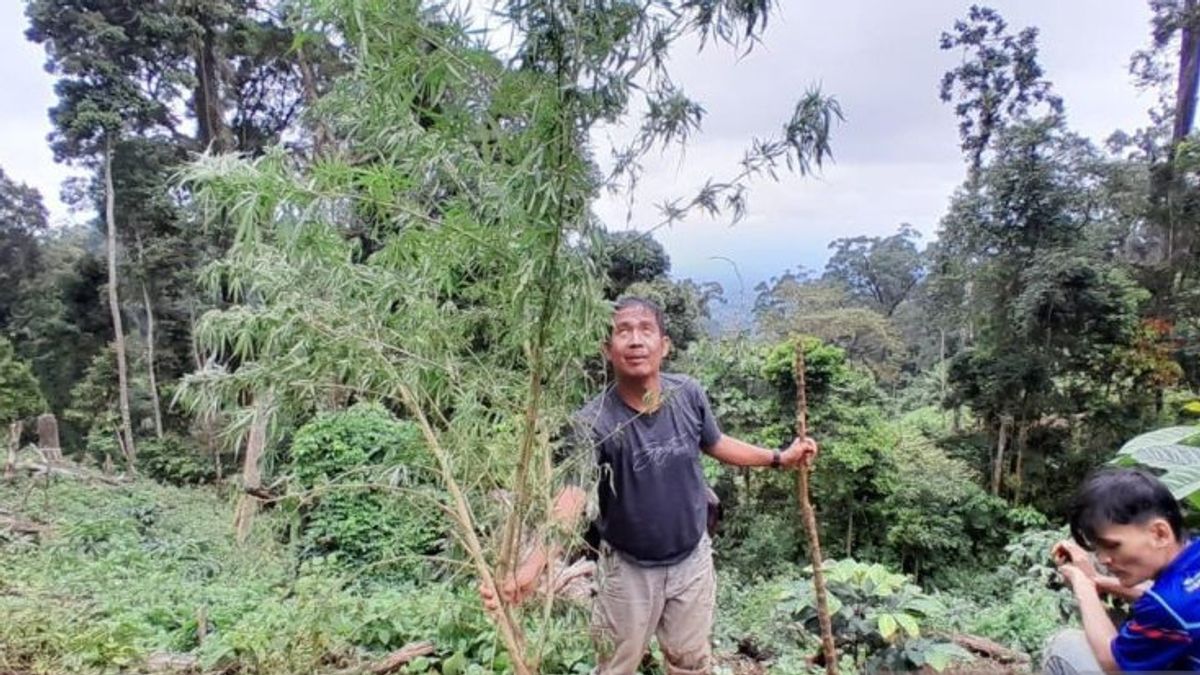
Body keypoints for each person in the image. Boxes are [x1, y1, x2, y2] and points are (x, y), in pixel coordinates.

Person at [481, 297, 818, 675]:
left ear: (665, 345)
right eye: (623, 331)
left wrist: (779, 458)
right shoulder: (590, 422)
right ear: (608, 350)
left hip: (692, 559)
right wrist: (531, 569)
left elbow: (716, 443)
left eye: (645, 330)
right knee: (616, 666)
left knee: (690, 663)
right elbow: (571, 497)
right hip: (627, 571)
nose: (636, 341)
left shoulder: (688, 393)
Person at [1047, 468, 1200, 673]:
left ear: (1159, 533)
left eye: (1112, 546)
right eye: (1096, 548)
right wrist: (1096, 580)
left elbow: (1113, 664)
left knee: (1063, 646)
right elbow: (1165, 599)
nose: (1103, 559)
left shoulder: (1167, 608)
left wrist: (1082, 584)